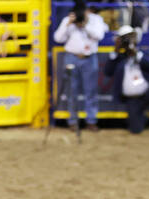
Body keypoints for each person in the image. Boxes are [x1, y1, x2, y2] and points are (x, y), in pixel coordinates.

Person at [53, 0, 108, 131]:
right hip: (72, 57)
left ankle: (91, 121)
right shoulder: (68, 20)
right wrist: (68, 24)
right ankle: (73, 121)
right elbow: (58, 38)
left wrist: (85, 25)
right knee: (72, 91)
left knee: (91, 91)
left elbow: (99, 35)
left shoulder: (96, 20)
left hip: (89, 58)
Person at [103, 26, 149, 134]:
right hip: (132, 99)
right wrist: (116, 50)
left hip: (147, 93)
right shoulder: (119, 57)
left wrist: (136, 54)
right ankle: (142, 117)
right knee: (135, 130)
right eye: (124, 38)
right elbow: (108, 72)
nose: (127, 41)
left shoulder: (145, 53)